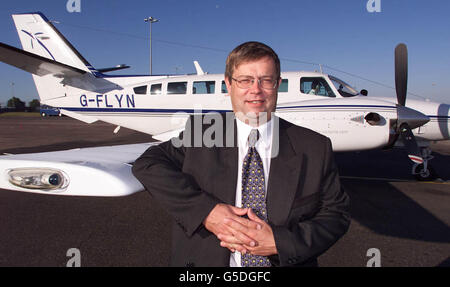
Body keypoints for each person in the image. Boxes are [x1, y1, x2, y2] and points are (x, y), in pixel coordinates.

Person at [132, 41, 350, 267]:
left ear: (277, 85)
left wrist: (281, 243)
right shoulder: (201, 133)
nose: (255, 90)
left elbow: (335, 215)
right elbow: (147, 164)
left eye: (266, 80)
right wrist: (207, 212)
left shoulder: (314, 146)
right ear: (228, 85)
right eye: (245, 80)